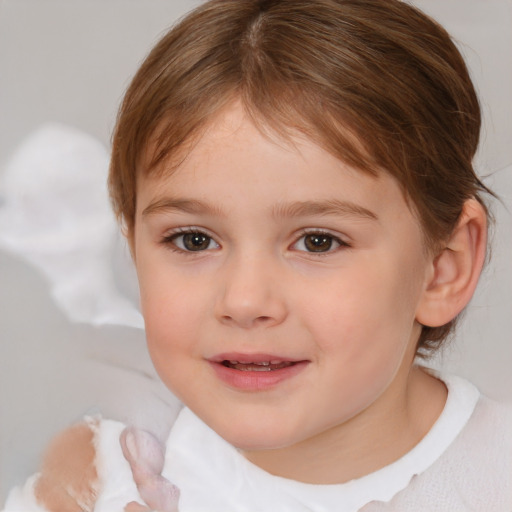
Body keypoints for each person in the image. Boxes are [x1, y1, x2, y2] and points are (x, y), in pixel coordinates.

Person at [3, 0, 511, 510]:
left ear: (444, 268)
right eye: (193, 240)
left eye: (318, 241)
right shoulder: (93, 479)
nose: (244, 301)